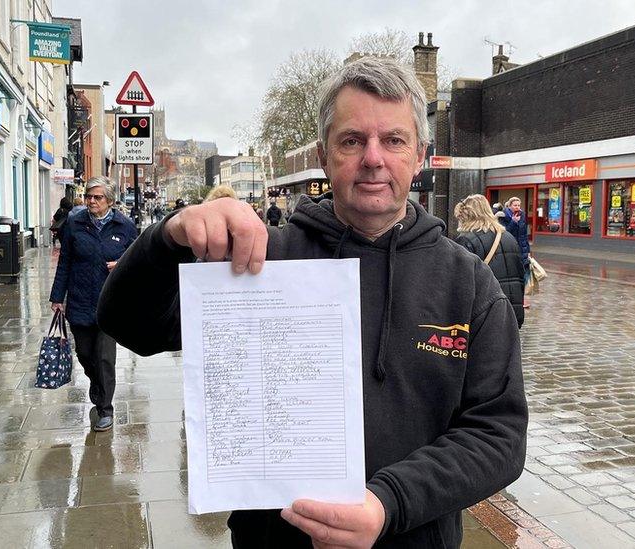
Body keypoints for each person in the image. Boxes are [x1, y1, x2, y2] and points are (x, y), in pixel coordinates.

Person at [98, 56, 526, 548]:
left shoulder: (468, 283)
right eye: (352, 140)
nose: (373, 157)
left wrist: (389, 502)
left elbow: (498, 434)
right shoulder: (258, 262)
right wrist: (167, 240)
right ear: (324, 156)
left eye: (393, 139)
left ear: (420, 154)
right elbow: (127, 324)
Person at [50, 176, 137, 432]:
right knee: (85, 355)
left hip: (110, 305)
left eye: (97, 197)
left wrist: (122, 264)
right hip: (79, 300)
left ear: (109, 200)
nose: (91, 201)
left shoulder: (125, 226)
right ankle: (97, 387)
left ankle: (105, 408)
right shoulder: (75, 224)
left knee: (104, 358)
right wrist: (57, 297)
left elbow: (138, 261)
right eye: (89, 196)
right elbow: (65, 261)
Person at [454, 194, 526, 327]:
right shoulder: (508, 237)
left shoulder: (466, 240)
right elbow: (520, 275)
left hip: (484, 312)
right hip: (511, 310)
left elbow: (461, 283)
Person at [498, 197, 531, 286]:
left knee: (524, 270)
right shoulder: (503, 215)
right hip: (510, 247)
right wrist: (513, 222)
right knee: (512, 270)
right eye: (515, 205)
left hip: (522, 247)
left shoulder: (522, 215)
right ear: (510, 206)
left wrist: (528, 250)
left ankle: (522, 287)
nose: (517, 207)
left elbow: (524, 234)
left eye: (519, 205)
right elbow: (505, 232)